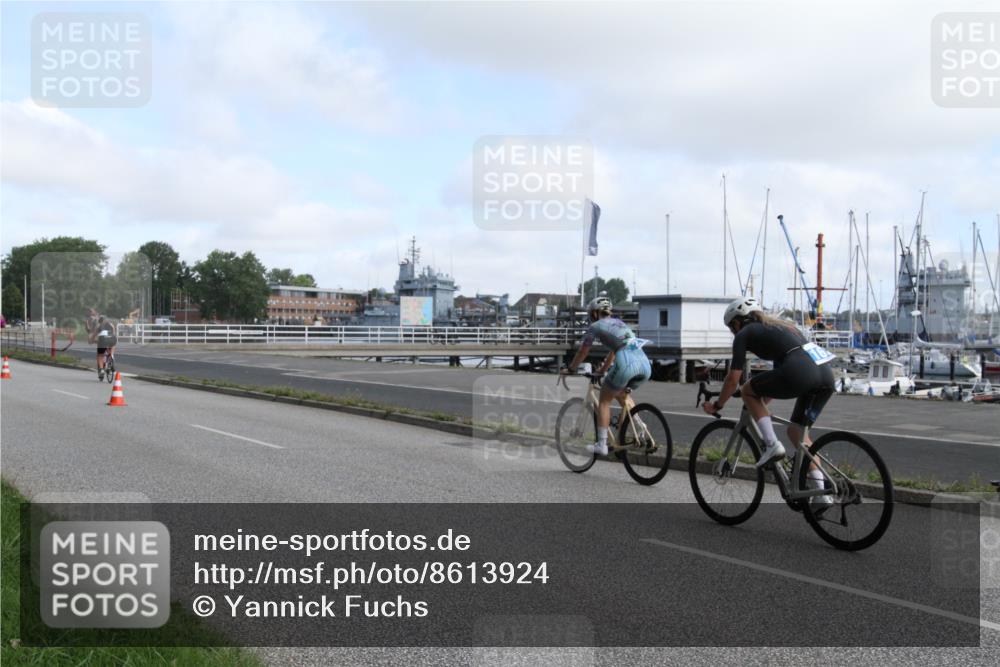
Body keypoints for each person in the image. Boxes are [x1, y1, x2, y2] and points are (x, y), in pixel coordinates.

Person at [703, 297, 834, 508]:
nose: (732, 332)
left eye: (731, 328)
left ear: (737, 322)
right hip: (825, 375)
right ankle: (820, 492)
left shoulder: (745, 333)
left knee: (747, 389)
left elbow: (733, 378)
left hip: (800, 372)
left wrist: (718, 405)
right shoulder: (784, 328)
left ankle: (772, 445)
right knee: (797, 433)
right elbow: (777, 376)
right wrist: (760, 402)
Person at [560, 296, 651, 456]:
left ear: (595, 313)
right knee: (622, 394)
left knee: (604, 400)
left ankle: (601, 445)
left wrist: (571, 368)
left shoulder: (596, 326)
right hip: (644, 363)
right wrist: (603, 370)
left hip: (627, 363)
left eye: (590, 314)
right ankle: (639, 427)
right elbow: (614, 351)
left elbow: (583, 350)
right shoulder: (621, 324)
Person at [89, 314, 118, 381]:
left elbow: (94, 336)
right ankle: (111, 356)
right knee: (113, 345)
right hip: (112, 338)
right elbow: (113, 333)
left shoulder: (98, 326)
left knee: (100, 355)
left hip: (103, 339)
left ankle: (101, 370)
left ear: (99, 321)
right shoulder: (111, 325)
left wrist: (92, 341)